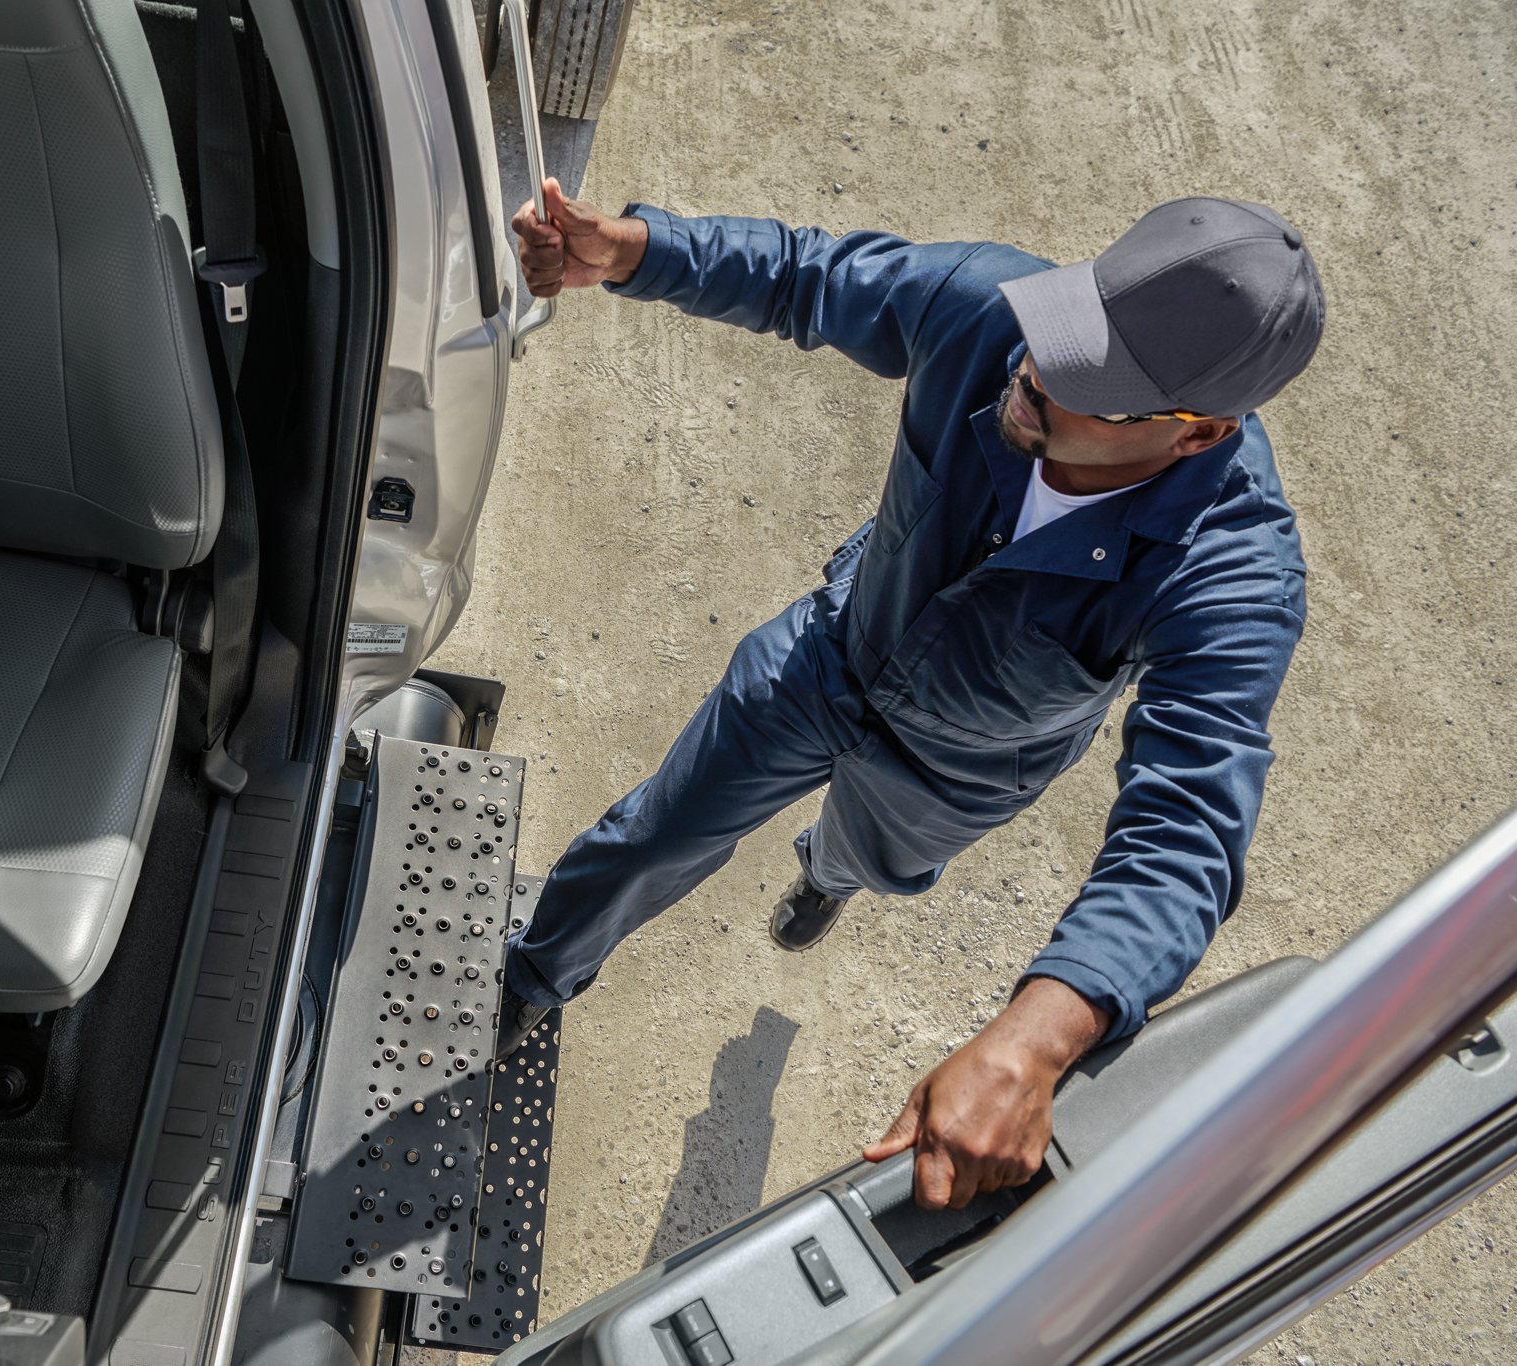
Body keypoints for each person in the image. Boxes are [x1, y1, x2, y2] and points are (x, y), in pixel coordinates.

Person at [496, 182, 1323, 1213]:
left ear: (1196, 435)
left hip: (959, 767)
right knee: (654, 833)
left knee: (866, 855)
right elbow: (810, 275)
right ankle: (533, 975)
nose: (1030, 371)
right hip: (833, 653)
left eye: (1086, 383)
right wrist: (629, 253)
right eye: (1061, 330)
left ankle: (827, 875)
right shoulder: (992, 308)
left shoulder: (1229, 574)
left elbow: (1185, 826)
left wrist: (1032, 1039)